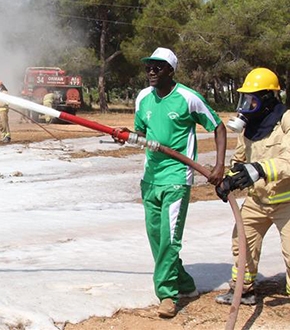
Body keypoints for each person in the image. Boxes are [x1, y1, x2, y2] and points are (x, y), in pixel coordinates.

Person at [116, 47, 227, 318]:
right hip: (150, 178)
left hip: (177, 177)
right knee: (156, 239)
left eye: (158, 66)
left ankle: (167, 294)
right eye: (149, 67)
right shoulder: (143, 97)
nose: (151, 71)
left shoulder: (189, 98)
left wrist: (219, 166)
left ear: (170, 70)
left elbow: (218, 127)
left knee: (169, 239)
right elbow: (142, 132)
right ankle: (186, 284)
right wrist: (127, 136)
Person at [214, 67, 290, 326]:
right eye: (244, 99)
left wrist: (259, 169)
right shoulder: (249, 128)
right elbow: (240, 160)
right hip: (258, 201)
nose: (246, 106)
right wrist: (229, 179)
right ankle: (243, 290)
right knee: (242, 243)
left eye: (252, 100)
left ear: (269, 99)